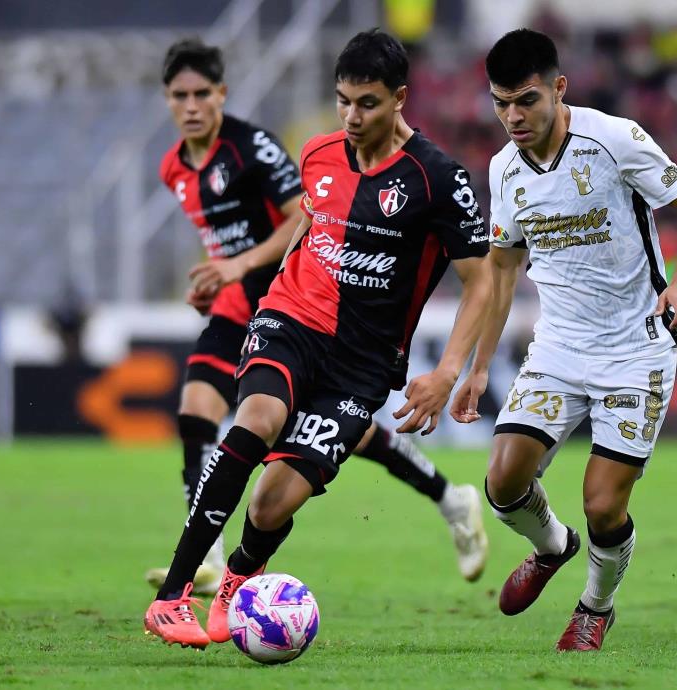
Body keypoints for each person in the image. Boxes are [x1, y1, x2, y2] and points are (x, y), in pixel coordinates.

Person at [143, 29, 493, 649]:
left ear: (400, 98)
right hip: (292, 317)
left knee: (271, 504)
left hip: (362, 364)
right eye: (343, 102)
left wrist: (449, 372)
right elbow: (307, 222)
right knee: (256, 418)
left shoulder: (438, 178)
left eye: (367, 104)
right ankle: (172, 597)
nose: (352, 117)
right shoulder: (318, 153)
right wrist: (251, 281)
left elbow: (481, 281)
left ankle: (236, 582)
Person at [450, 28, 677, 651]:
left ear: (558, 88)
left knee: (602, 504)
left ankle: (596, 606)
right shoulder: (503, 169)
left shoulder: (613, 139)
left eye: (526, 100)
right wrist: (479, 368)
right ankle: (552, 546)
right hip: (559, 348)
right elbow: (502, 271)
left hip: (635, 349)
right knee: (503, 483)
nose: (513, 117)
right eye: (501, 104)